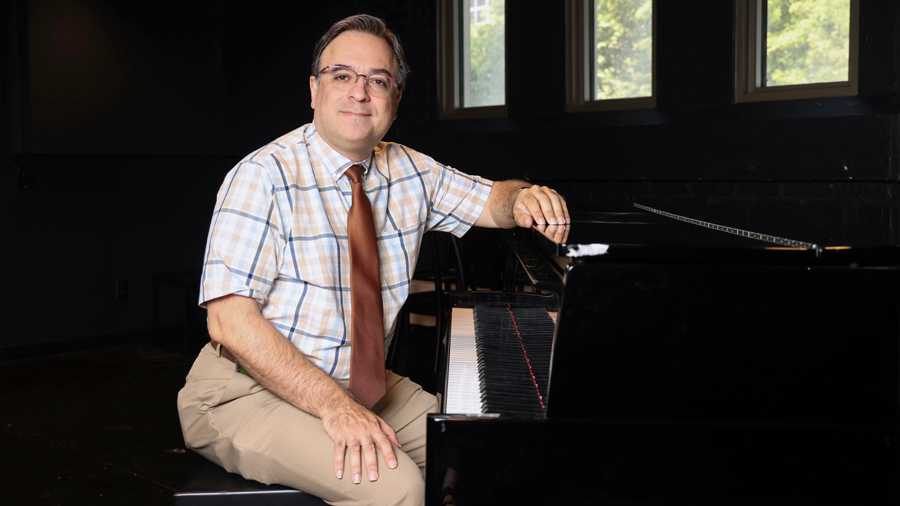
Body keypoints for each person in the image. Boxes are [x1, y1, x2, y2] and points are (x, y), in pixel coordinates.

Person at [177, 14, 569, 506]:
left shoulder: (409, 169)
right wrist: (336, 407)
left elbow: (494, 200)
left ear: (395, 100)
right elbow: (229, 323)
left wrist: (525, 198)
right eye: (342, 76)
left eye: (378, 81)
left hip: (364, 385)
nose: (359, 93)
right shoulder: (262, 176)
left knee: (493, 450)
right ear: (314, 90)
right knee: (398, 489)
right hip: (244, 390)